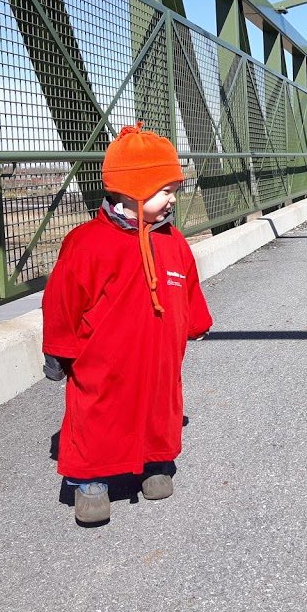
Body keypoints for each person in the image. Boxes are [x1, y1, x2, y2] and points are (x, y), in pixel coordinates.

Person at [42, 123, 212, 524]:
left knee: (160, 405)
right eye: (164, 190)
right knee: (98, 410)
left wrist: (197, 321)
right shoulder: (88, 242)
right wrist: (57, 347)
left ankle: (156, 463)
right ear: (133, 189)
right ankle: (90, 481)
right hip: (103, 359)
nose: (173, 199)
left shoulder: (172, 240)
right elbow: (62, 300)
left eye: (174, 189)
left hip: (161, 354)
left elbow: (187, 285)